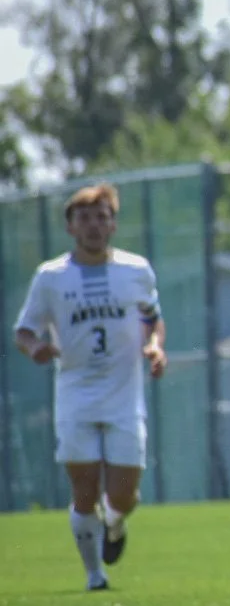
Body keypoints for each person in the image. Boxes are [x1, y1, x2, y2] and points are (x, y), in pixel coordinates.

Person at [13, 183, 167, 593]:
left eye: (102, 217)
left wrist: (154, 346)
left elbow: (153, 317)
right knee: (84, 489)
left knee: (124, 496)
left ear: (114, 224)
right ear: (70, 228)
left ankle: (114, 526)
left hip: (123, 395)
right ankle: (94, 575)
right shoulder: (51, 277)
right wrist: (36, 349)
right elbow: (23, 330)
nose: (94, 226)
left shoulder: (136, 270)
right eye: (84, 218)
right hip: (76, 393)